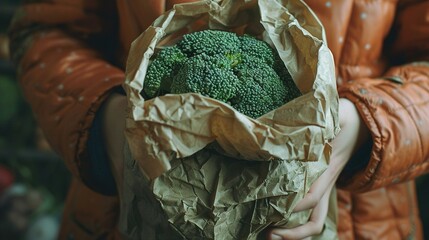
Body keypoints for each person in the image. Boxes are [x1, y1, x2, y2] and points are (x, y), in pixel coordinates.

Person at [8, 0, 429, 239]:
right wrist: (106, 119)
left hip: (358, 217)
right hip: (130, 204)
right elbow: (47, 30)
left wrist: (360, 127)